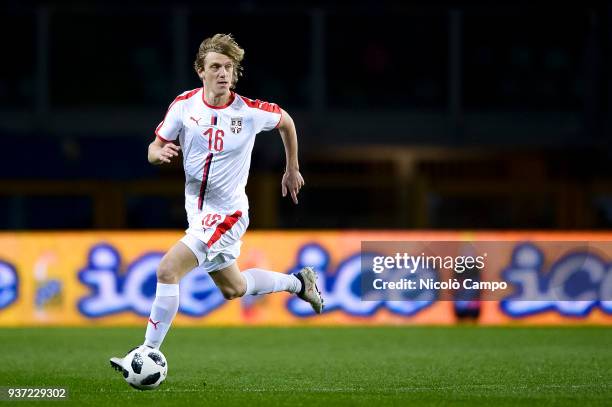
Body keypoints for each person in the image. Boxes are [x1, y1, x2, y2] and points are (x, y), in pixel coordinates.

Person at [110, 33, 323, 370]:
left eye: (229, 67)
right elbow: (154, 146)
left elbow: (287, 122)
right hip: (198, 215)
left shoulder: (250, 112)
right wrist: (157, 154)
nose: (223, 73)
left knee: (167, 270)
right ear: (200, 71)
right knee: (234, 288)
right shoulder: (184, 106)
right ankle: (300, 283)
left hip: (228, 214)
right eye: (215, 67)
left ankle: (147, 353)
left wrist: (291, 167)